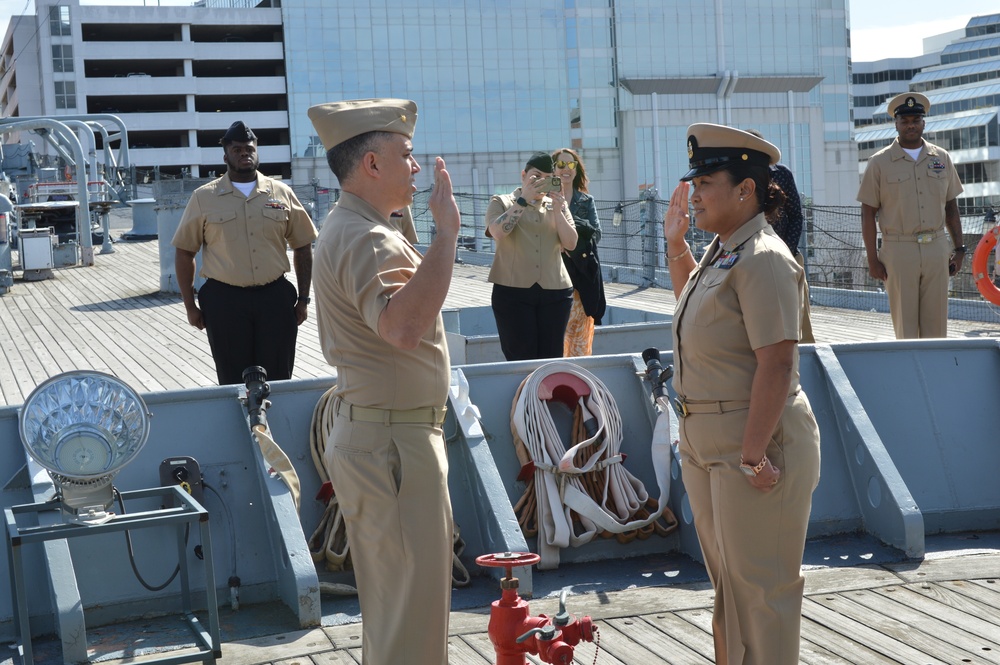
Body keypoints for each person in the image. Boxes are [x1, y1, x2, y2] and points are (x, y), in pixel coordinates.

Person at [307, 98, 460, 665]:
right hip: (393, 447)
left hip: (384, 440)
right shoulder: (366, 237)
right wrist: (446, 236)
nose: (417, 167)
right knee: (409, 625)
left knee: (401, 616)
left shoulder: (359, 227)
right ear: (372, 164)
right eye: (407, 155)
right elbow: (402, 328)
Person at [662, 123, 821, 665]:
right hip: (708, 441)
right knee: (730, 590)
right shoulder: (722, 252)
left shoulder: (764, 257)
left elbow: (776, 364)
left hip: (751, 443)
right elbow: (696, 309)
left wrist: (752, 457)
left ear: (745, 189)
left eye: (707, 181)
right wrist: (675, 245)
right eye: (695, 181)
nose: (696, 193)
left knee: (763, 592)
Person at [172, 121, 317, 385]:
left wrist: (304, 299)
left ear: (257, 152)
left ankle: (275, 425)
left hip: (274, 298)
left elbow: (303, 245)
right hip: (225, 301)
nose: (244, 153)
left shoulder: (281, 193)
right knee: (231, 379)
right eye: (237, 149)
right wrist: (190, 306)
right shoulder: (204, 197)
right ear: (225, 156)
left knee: (279, 377)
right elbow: (184, 253)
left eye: (249, 148)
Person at [857, 92, 965, 339]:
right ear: (896, 124)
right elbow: (868, 213)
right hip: (899, 250)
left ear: (923, 123)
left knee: (937, 328)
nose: (911, 126)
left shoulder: (941, 158)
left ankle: (935, 374)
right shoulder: (879, 162)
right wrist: (872, 259)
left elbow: (951, 207)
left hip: (936, 248)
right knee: (906, 328)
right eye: (905, 121)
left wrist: (960, 249)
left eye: (916, 120)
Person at [485, 152, 578, 361]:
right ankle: (523, 395)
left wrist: (557, 211)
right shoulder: (502, 202)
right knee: (519, 357)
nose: (540, 183)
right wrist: (523, 201)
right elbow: (497, 232)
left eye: (547, 178)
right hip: (512, 292)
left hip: (556, 292)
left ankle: (548, 395)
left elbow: (571, 243)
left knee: (552, 357)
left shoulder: (558, 206)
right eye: (536, 177)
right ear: (523, 175)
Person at [745, 129, 815, 343]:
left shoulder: (781, 174)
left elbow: (795, 215)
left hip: (788, 257)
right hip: (752, 263)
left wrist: (787, 252)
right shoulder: (738, 181)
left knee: (799, 322)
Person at [553, 147, 606, 357]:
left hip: (581, 278)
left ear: (577, 170)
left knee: (580, 345)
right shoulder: (544, 199)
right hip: (554, 278)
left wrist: (572, 242)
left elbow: (597, 234)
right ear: (553, 169)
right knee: (556, 343)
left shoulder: (586, 201)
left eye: (571, 164)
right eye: (561, 164)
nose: (566, 169)